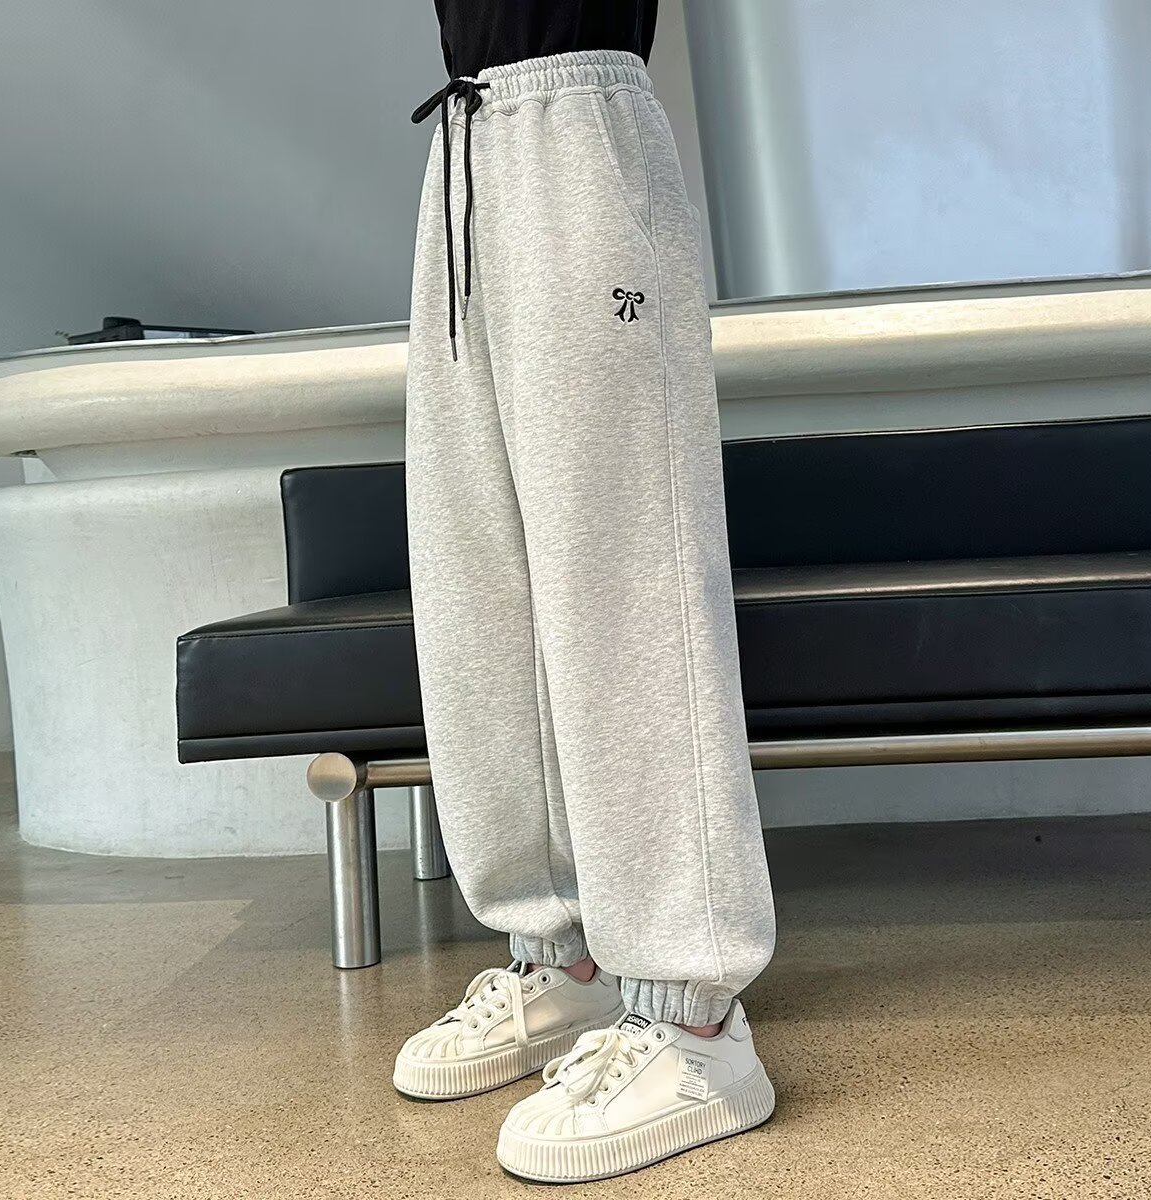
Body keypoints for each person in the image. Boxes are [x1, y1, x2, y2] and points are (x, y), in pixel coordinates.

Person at [395, 0, 777, 1182]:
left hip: (582, 125)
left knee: (624, 577)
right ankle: (559, 956)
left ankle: (696, 1018)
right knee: (477, 585)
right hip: (465, 145)